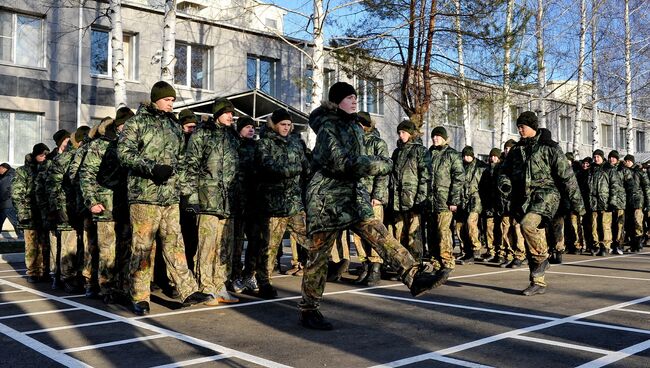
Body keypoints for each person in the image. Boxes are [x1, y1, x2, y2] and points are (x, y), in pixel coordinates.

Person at [299, 82, 439, 330]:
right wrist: (379, 164)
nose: (355, 100)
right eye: (349, 97)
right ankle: (309, 309)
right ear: (336, 101)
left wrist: (370, 170)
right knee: (318, 257)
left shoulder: (352, 125)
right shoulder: (329, 127)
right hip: (326, 200)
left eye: (355, 97)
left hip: (352, 197)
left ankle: (414, 276)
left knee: (380, 233)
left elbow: (355, 163)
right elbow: (343, 163)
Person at [118, 81, 213, 315]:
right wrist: (152, 168)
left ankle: (188, 290)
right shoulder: (137, 123)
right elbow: (124, 153)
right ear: (156, 99)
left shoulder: (173, 126)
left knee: (175, 243)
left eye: (173, 100)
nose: (172, 103)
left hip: (169, 197)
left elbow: (182, 159)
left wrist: (184, 191)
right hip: (144, 196)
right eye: (168, 99)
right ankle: (139, 296)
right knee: (142, 248)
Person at [499, 111, 584, 296]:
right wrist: (505, 184)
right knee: (530, 237)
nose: (520, 130)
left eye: (523, 127)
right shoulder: (517, 150)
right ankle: (538, 282)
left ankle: (543, 259)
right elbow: (504, 171)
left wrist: (578, 205)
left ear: (533, 127)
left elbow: (567, 177)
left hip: (547, 195)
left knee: (527, 225)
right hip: (523, 199)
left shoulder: (549, 147)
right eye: (518, 127)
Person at [184, 97, 241, 306]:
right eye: (226, 112)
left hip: (229, 202)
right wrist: (192, 199)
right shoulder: (202, 134)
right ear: (217, 114)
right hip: (208, 200)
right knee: (207, 246)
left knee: (224, 246)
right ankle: (205, 286)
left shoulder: (233, 137)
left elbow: (238, 171)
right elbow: (190, 167)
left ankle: (219, 285)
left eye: (231, 113)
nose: (230, 116)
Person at [253, 108, 310, 299]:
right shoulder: (264, 145)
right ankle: (264, 283)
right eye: (282, 124)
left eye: (288, 125)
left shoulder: (296, 143)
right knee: (269, 247)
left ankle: (317, 272)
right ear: (274, 125)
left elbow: (306, 167)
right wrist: (295, 169)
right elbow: (269, 168)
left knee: (310, 239)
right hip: (273, 204)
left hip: (294, 203)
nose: (286, 128)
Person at [79, 109, 133, 304]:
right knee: (106, 250)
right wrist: (92, 201)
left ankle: (124, 287)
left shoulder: (133, 146)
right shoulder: (100, 146)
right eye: (126, 125)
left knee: (126, 248)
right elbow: (85, 174)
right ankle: (106, 288)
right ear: (118, 126)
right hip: (105, 206)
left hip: (126, 206)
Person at [352, 111, 389, 286]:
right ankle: (365, 265)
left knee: (375, 233)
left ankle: (375, 267)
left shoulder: (378, 143)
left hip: (372, 197)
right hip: (356, 195)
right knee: (359, 234)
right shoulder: (352, 142)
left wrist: (378, 195)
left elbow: (383, 172)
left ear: (365, 125)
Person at [388, 119, 430, 262]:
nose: (401, 135)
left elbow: (425, 177)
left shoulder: (420, 151)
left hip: (413, 200)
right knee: (399, 232)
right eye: (399, 132)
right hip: (398, 201)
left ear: (411, 134)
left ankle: (416, 264)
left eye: (404, 132)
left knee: (413, 234)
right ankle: (402, 264)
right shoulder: (397, 152)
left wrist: (420, 200)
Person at [426, 126, 464, 283]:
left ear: (444, 138)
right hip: (430, 202)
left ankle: (447, 262)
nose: (435, 139)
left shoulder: (452, 155)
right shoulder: (428, 154)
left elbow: (459, 177)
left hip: (445, 202)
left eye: (438, 136)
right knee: (432, 234)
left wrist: (453, 200)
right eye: (433, 136)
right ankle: (436, 263)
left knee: (444, 232)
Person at [12, 144, 50, 283]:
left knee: (45, 244)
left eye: (46, 155)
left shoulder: (48, 169)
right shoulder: (24, 171)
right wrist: (23, 214)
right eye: (41, 155)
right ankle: (34, 272)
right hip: (30, 214)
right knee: (32, 245)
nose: (43, 158)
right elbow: (17, 193)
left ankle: (45, 270)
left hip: (45, 214)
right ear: (34, 156)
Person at [455, 146, 487, 264]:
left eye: (468, 155)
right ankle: (465, 250)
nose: (466, 157)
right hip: (462, 199)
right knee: (459, 226)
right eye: (464, 155)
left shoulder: (480, 167)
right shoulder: (460, 166)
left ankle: (475, 249)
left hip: (475, 199)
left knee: (471, 222)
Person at [588, 149, 619, 256]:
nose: (596, 159)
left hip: (605, 202)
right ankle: (596, 245)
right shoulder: (591, 169)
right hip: (593, 202)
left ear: (602, 157)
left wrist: (612, 201)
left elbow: (614, 186)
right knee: (594, 224)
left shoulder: (609, 169)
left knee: (605, 225)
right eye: (595, 157)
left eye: (598, 157)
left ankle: (606, 246)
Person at [621, 155, 650, 252]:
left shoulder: (640, 172)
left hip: (638, 202)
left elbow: (647, 188)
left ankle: (638, 244)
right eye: (626, 161)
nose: (627, 162)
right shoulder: (623, 172)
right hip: (627, 201)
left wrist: (648, 203)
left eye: (629, 161)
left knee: (638, 223)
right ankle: (633, 244)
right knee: (629, 224)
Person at [607, 150, 627, 254]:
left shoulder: (622, 169)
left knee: (619, 225)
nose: (612, 159)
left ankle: (619, 245)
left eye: (614, 157)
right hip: (608, 201)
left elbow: (629, 184)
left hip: (620, 202)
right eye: (610, 157)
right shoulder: (606, 168)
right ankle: (610, 244)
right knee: (609, 224)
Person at [0, 163, 21, 237]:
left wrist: (2, 198)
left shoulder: (8, 178)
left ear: (4, 168)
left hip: (7, 204)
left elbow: (4, 191)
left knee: (15, 222)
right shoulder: (10, 176)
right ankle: (22, 238)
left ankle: (22, 238)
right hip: (7, 204)